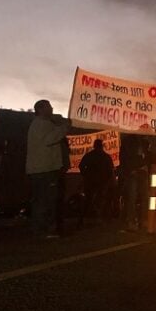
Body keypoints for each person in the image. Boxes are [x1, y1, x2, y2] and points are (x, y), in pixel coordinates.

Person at [26, 100, 70, 238]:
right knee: (46, 200)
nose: (52, 109)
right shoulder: (41, 124)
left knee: (41, 200)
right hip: (44, 169)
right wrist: (64, 127)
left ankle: (40, 229)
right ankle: (45, 230)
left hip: (41, 169)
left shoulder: (42, 124)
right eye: (48, 107)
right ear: (40, 109)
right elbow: (50, 139)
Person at [78, 139, 114, 227]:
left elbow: (81, 166)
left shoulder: (89, 156)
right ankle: (98, 219)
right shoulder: (106, 157)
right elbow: (110, 170)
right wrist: (108, 180)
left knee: (89, 200)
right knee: (100, 201)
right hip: (101, 182)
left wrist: (85, 175)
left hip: (91, 181)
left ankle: (86, 219)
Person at [118, 135, 144, 232]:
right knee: (132, 198)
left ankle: (129, 220)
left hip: (130, 173)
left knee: (130, 198)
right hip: (132, 173)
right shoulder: (133, 142)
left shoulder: (130, 141)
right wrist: (133, 169)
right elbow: (134, 157)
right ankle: (132, 221)